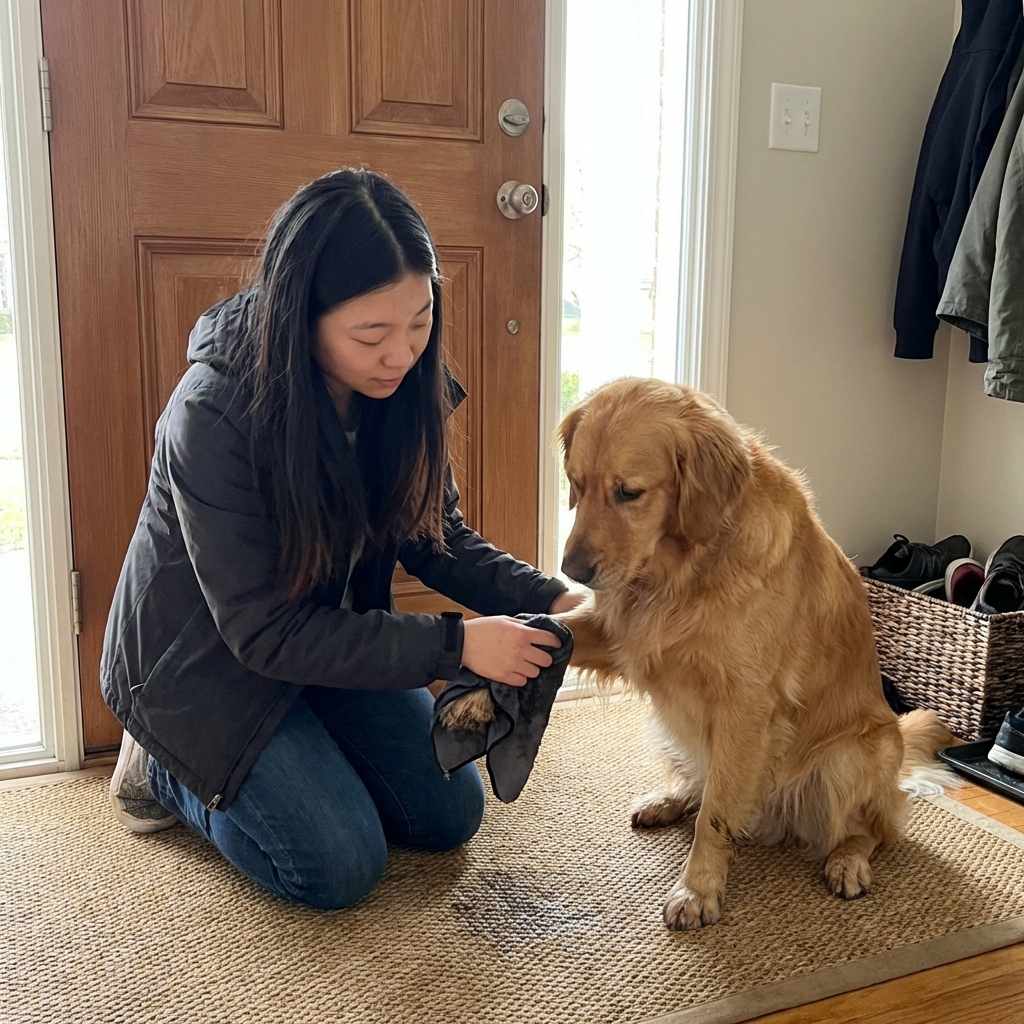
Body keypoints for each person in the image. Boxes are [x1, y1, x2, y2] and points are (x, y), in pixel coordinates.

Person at [101, 168, 583, 910]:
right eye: (371, 334)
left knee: (449, 816)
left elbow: (434, 536)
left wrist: (552, 594)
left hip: (318, 642)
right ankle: (160, 768)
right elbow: (262, 633)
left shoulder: (399, 385)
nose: (402, 354)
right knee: (333, 867)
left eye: (420, 322)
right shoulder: (213, 414)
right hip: (204, 673)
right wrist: (458, 646)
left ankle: (301, 743)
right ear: (302, 316)